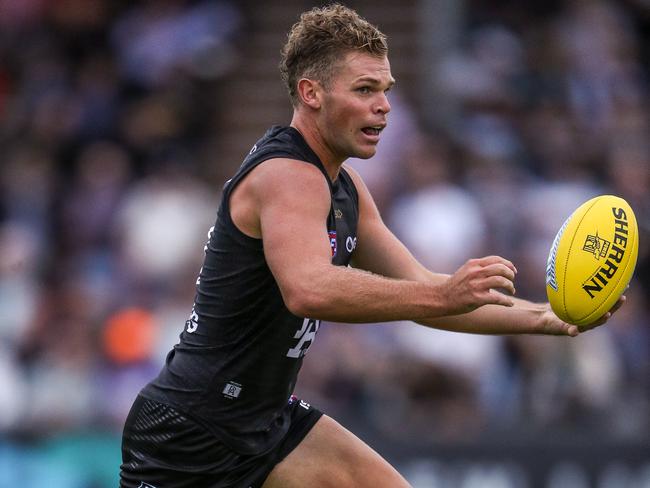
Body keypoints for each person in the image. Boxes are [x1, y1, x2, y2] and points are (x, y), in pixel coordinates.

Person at [119, 4, 625, 487]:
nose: (383, 106)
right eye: (364, 89)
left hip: (263, 418)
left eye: (385, 89)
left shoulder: (346, 187)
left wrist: (546, 318)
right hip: (190, 433)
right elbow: (309, 289)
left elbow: (427, 292)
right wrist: (443, 296)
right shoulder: (288, 175)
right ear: (310, 92)